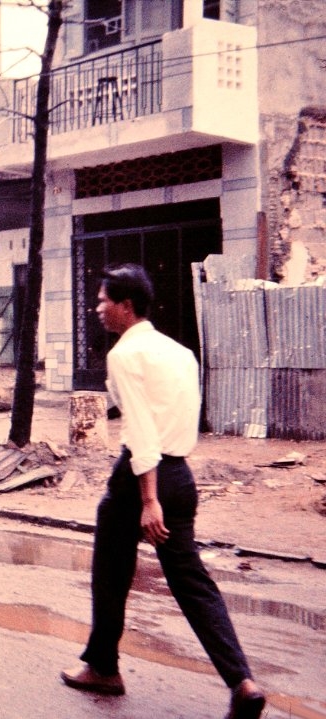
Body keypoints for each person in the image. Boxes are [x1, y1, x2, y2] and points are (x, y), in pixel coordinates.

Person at [60, 264, 266, 719]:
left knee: (110, 570)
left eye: (102, 301)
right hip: (182, 476)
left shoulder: (126, 354)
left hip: (141, 478)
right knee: (192, 582)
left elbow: (142, 430)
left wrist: (148, 499)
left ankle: (104, 667)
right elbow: (170, 412)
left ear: (126, 306)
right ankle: (242, 681)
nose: (97, 308)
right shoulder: (179, 352)